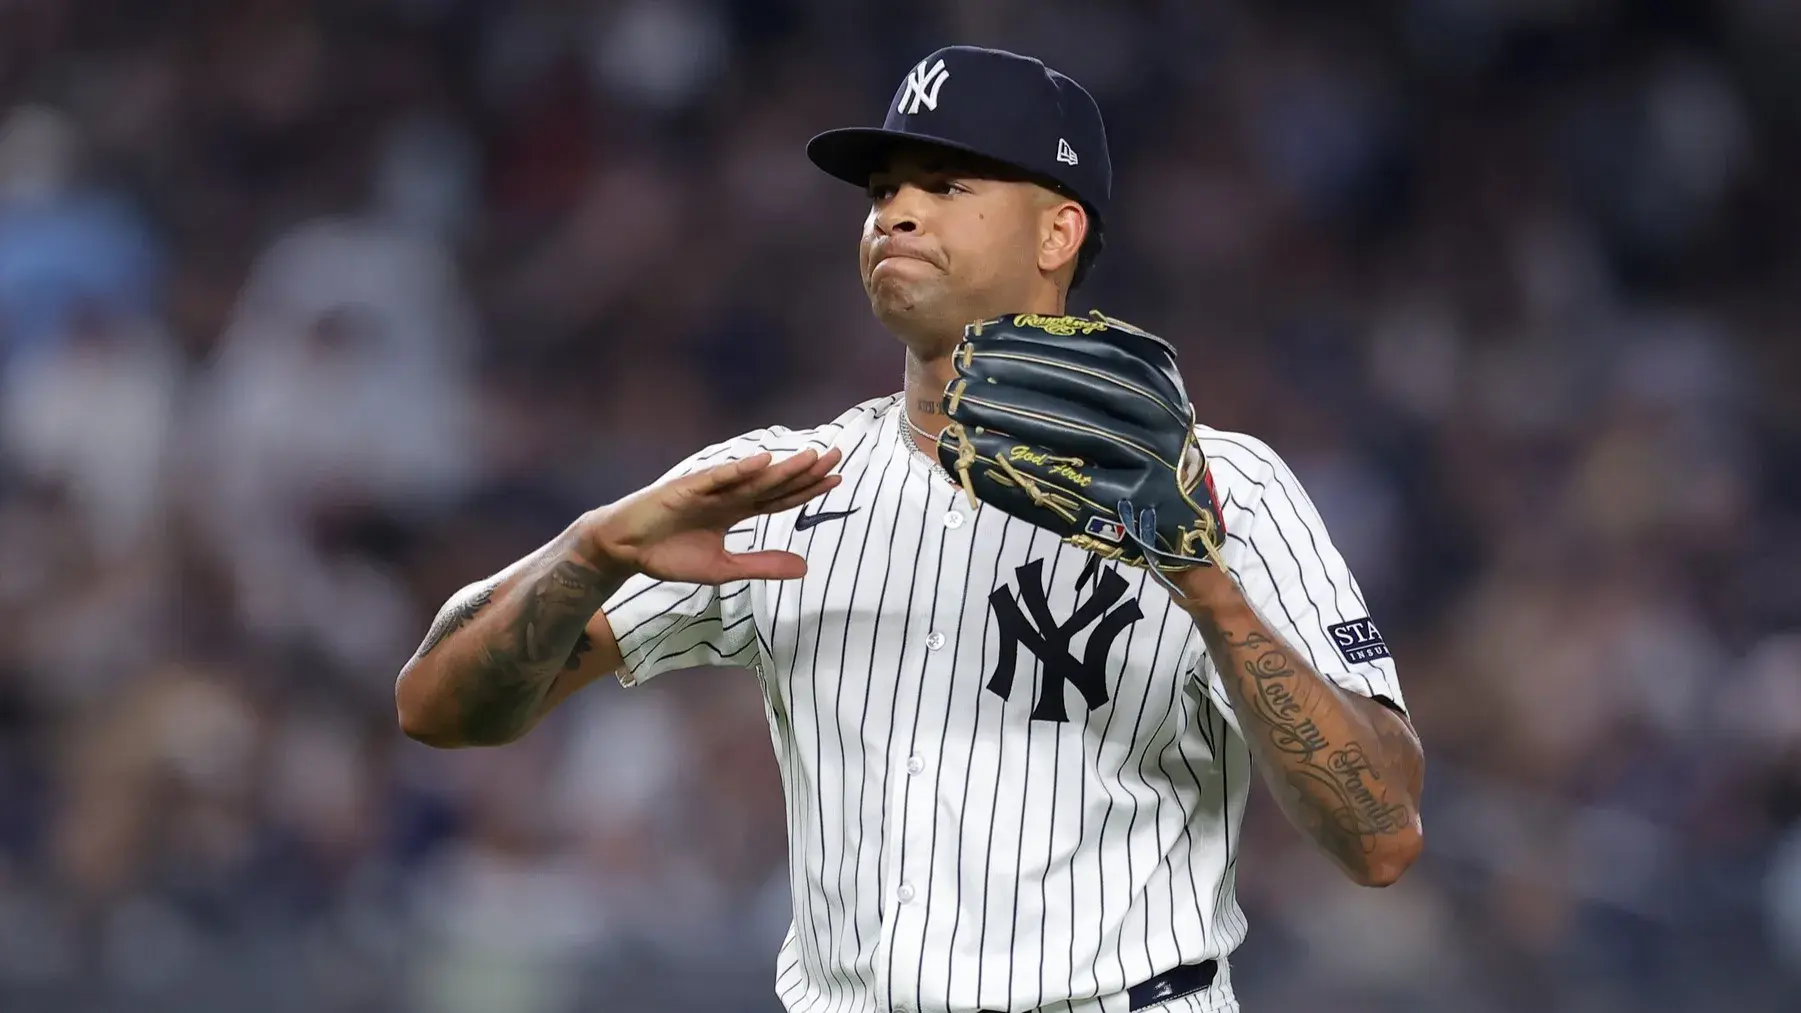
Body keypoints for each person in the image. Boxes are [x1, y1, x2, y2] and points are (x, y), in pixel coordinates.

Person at [395, 45, 1425, 1013]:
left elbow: (1380, 831)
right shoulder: (778, 480)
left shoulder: (1225, 486)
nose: (895, 213)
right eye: (885, 188)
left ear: (1056, 232)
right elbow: (438, 706)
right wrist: (592, 551)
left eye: (946, 185)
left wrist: (1204, 586)